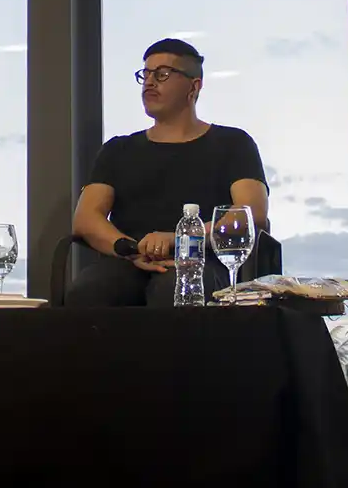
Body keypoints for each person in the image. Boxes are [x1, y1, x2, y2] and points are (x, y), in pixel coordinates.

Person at [69, 38, 270, 307]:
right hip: (129, 261)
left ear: (193, 86)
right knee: (90, 292)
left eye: (162, 74)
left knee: (174, 291)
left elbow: (251, 213)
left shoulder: (233, 143)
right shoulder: (118, 149)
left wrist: (181, 239)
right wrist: (130, 248)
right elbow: (86, 218)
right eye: (146, 74)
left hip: (201, 261)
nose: (150, 82)